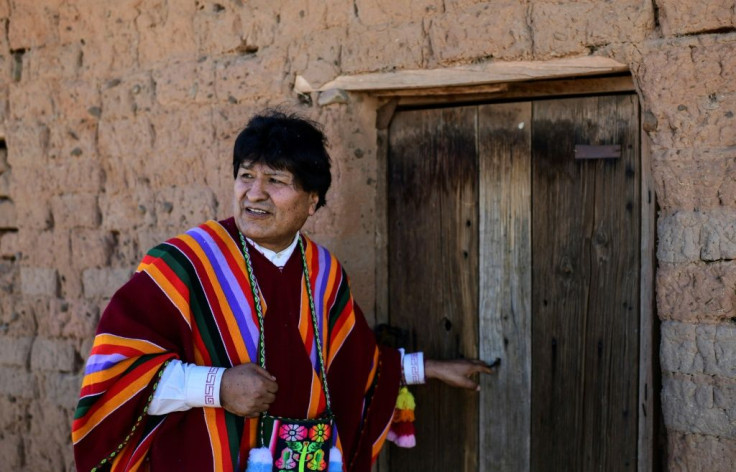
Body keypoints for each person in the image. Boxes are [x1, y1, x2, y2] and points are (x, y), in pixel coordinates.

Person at [72, 110, 494, 472]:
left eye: (275, 180)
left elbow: (356, 364)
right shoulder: (184, 265)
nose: (254, 193)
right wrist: (216, 387)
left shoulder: (323, 272)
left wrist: (430, 369)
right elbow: (115, 375)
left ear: (312, 201)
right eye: (245, 176)